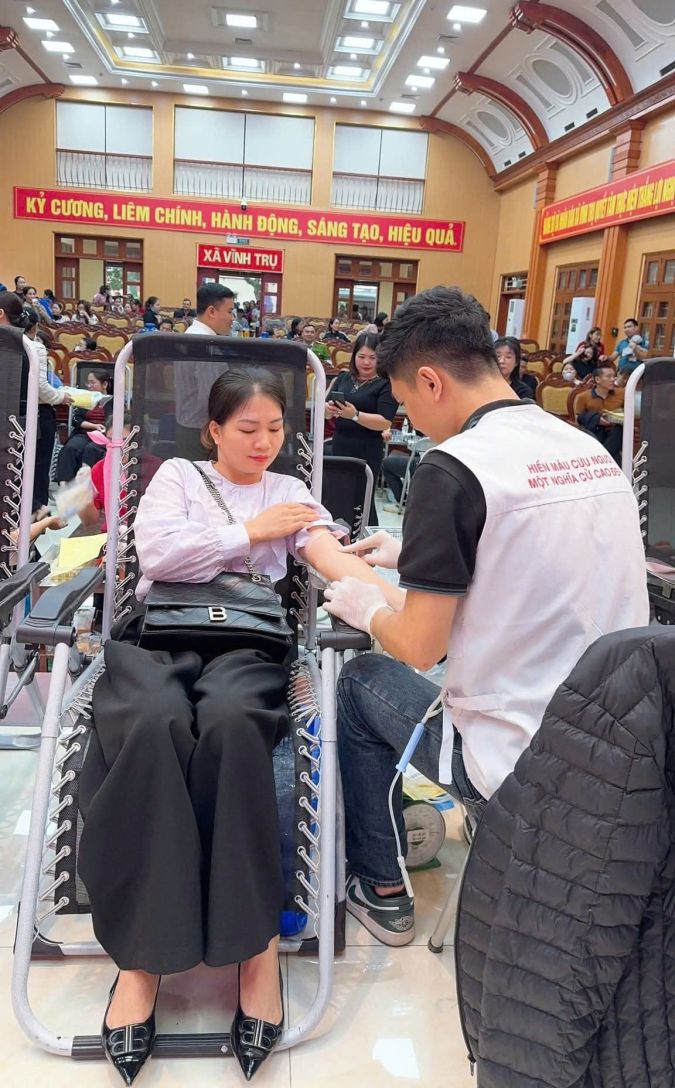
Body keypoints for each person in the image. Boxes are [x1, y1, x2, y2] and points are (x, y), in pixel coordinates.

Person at [77, 367, 403, 1084]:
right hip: (158, 635)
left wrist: (402, 605)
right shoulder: (177, 478)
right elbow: (158, 556)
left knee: (232, 724)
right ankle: (141, 963)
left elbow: (326, 555)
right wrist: (250, 532)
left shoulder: (292, 491)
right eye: (248, 429)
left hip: (248, 642)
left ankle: (255, 952)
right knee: (154, 723)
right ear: (214, 430)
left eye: (275, 430)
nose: (263, 443)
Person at [322, 286, 649, 947]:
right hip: (616, 752)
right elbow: (542, 560)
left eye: (407, 404)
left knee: (359, 684)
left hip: (519, 760)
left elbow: (420, 646)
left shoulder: (453, 468)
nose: (411, 421)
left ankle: (380, 886)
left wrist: (367, 603)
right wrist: (418, 557)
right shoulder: (584, 447)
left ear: (430, 381)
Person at [325, 332, 398, 526]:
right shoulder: (344, 378)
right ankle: (340, 536)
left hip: (367, 449)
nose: (366, 362)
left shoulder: (386, 384)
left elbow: (385, 421)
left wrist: (355, 415)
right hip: (340, 445)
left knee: (362, 498)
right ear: (354, 356)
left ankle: (365, 538)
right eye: (362, 356)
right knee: (339, 496)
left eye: (373, 357)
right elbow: (325, 411)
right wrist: (328, 410)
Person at [174, 282, 237, 459]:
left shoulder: (190, 335)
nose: (232, 318)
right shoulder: (205, 345)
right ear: (211, 311)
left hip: (188, 426)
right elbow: (210, 397)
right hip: (202, 433)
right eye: (229, 311)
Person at [22, 307, 73, 517]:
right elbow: (41, 388)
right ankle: (37, 511)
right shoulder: (35, 348)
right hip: (37, 414)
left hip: (12, 412)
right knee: (39, 468)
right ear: (35, 327)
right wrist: (61, 397)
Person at [56, 369, 113, 483]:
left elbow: (114, 421)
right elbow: (76, 419)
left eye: (93, 382)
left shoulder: (113, 401)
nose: (89, 386)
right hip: (84, 433)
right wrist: (94, 426)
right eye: (88, 382)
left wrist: (102, 428)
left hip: (103, 435)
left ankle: (86, 484)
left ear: (104, 384)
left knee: (91, 449)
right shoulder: (86, 399)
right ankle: (64, 485)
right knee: (70, 448)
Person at [574, 365, 625, 463]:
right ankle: (607, 461)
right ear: (597, 379)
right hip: (595, 431)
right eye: (608, 377)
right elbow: (578, 419)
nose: (612, 379)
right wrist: (596, 419)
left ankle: (603, 460)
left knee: (617, 432)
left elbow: (631, 413)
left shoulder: (622, 394)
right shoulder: (583, 397)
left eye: (614, 376)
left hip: (616, 432)